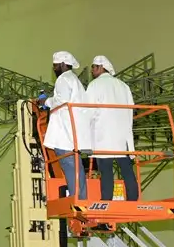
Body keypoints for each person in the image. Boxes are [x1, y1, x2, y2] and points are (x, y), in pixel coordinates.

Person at [86, 56, 139, 201]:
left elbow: (88, 111)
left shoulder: (95, 85)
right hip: (123, 137)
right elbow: (131, 109)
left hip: (103, 136)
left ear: (101, 67)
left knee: (106, 170)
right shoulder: (124, 86)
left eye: (93, 67)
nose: (91, 70)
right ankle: (133, 200)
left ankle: (106, 202)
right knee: (127, 170)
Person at [40, 51, 89, 200]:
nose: (54, 69)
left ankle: (75, 198)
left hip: (65, 133)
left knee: (68, 164)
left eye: (55, 66)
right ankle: (81, 197)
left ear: (62, 64)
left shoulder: (63, 79)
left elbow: (61, 100)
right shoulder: (75, 80)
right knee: (76, 166)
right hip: (74, 131)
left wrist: (46, 102)